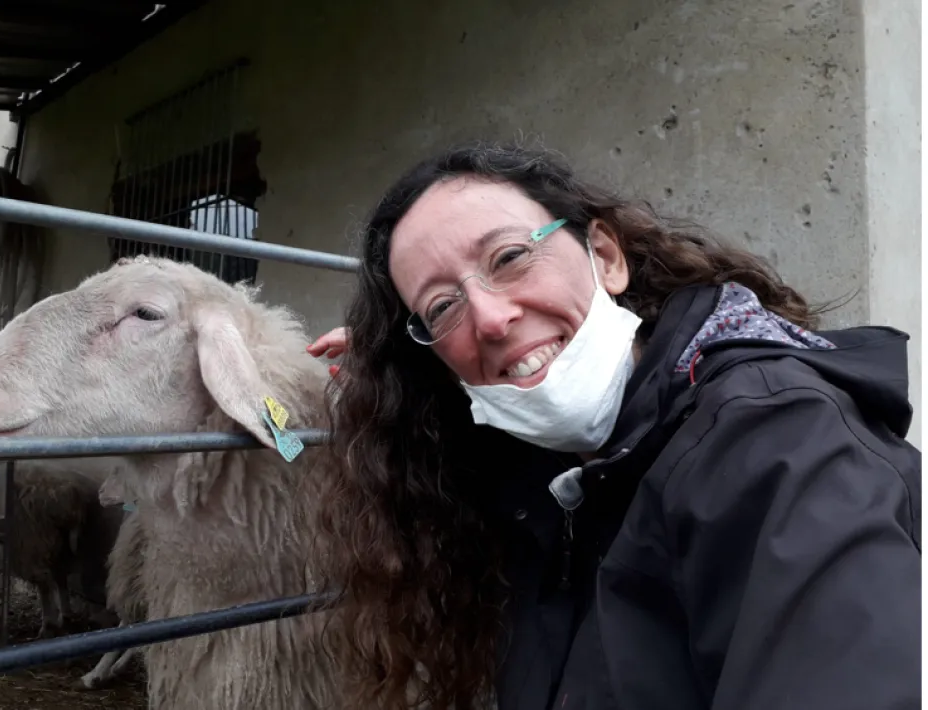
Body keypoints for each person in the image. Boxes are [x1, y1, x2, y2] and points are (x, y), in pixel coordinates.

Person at [305, 143, 921, 710]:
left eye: (511, 257)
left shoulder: (777, 440)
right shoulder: (555, 484)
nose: (490, 320)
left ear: (605, 258)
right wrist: (396, 383)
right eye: (442, 306)